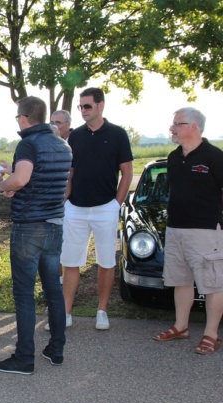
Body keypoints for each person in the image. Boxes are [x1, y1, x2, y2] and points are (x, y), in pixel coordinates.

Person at [0, 96, 72, 375]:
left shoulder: (28, 143)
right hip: (54, 224)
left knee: (24, 293)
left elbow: (23, 179)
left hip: (29, 226)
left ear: (23, 118)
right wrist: (17, 178)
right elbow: (45, 178)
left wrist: (4, 185)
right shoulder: (62, 144)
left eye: (17, 118)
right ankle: (56, 349)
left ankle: (25, 357)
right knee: (53, 290)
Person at [58, 87, 133, 331]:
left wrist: (116, 204)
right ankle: (65, 312)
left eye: (87, 106)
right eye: (80, 106)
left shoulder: (118, 134)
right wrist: (65, 200)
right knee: (70, 261)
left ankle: (102, 311)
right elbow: (70, 172)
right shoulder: (75, 136)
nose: (83, 110)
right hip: (76, 209)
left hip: (105, 208)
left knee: (106, 262)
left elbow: (127, 172)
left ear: (101, 105)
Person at [153, 107, 223, 355]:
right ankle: (181, 327)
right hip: (175, 230)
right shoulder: (173, 157)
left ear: (193, 127)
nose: (172, 128)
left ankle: (211, 334)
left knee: (212, 284)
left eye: (177, 124)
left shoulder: (215, 157)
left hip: (205, 231)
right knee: (180, 281)